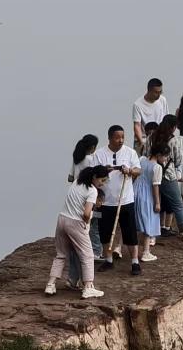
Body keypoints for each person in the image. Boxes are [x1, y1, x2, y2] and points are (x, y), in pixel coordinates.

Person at [47, 166, 106, 299]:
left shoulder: (77, 182)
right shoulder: (92, 191)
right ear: (94, 177)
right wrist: (88, 219)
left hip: (62, 219)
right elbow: (86, 213)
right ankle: (88, 287)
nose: (103, 183)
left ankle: (51, 284)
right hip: (76, 223)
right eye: (102, 180)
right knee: (88, 256)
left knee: (61, 255)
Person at [88, 125, 142, 270]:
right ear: (110, 138)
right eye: (117, 137)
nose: (120, 140)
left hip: (125, 199)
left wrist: (129, 170)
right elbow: (92, 172)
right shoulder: (100, 154)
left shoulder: (130, 153)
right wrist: (104, 170)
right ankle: (109, 259)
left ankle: (135, 262)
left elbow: (138, 170)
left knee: (129, 231)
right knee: (105, 232)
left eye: (123, 137)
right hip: (105, 201)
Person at [151, 114, 183, 240]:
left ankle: (152, 233)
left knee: (153, 203)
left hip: (151, 173)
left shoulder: (151, 137)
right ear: (174, 127)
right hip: (167, 175)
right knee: (178, 204)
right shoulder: (173, 140)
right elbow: (178, 159)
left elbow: (144, 153)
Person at [66, 134, 100, 285]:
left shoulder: (77, 159)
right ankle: (96, 252)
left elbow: (70, 177)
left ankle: (72, 277)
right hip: (86, 196)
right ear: (92, 148)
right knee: (91, 227)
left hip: (73, 196)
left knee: (73, 244)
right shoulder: (90, 160)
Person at [134, 143, 166, 267]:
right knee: (149, 221)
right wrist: (157, 202)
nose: (165, 159)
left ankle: (119, 247)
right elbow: (155, 186)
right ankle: (146, 252)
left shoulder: (141, 159)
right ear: (159, 155)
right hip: (147, 194)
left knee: (132, 221)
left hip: (135, 191)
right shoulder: (157, 167)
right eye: (164, 156)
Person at [132, 78, 169, 148]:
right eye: (156, 92)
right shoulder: (138, 104)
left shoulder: (163, 100)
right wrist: (141, 143)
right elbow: (137, 125)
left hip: (158, 140)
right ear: (149, 91)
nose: (158, 95)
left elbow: (166, 119)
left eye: (160, 92)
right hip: (143, 139)